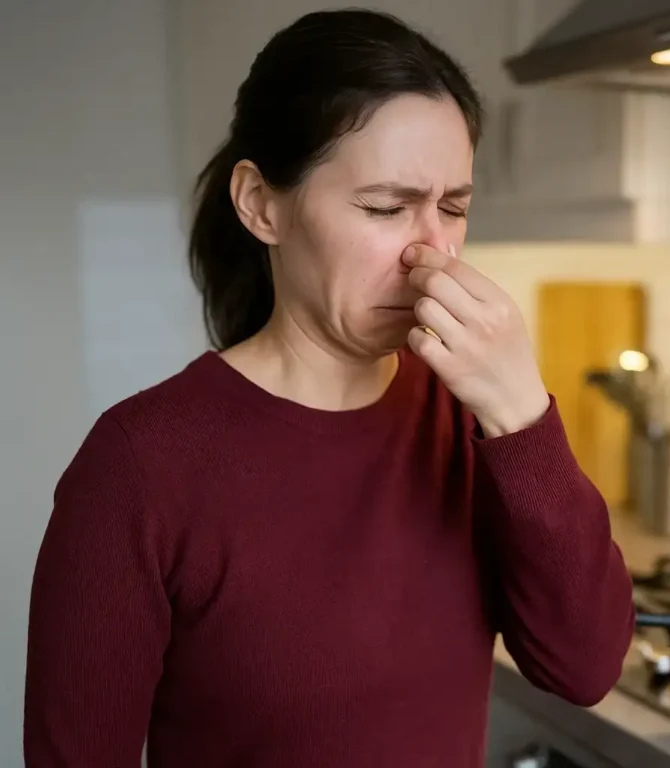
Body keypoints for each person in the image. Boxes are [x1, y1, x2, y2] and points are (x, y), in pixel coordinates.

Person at [23, 9, 635, 768]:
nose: (431, 253)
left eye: (453, 208)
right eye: (385, 208)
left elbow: (582, 669)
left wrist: (519, 414)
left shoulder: (468, 414)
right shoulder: (138, 465)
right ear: (260, 205)